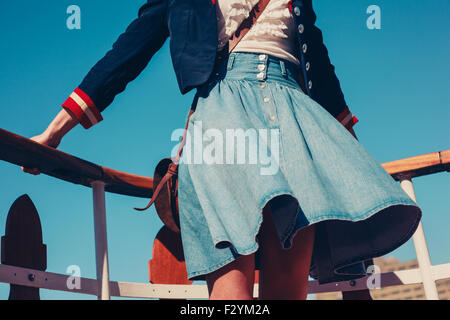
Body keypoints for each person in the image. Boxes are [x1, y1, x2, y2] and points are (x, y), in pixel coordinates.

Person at [22, 0, 422, 300]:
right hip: (223, 118)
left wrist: (346, 153)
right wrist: (55, 132)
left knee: (288, 290)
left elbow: (317, 59)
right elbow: (129, 52)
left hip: (298, 120)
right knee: (232, 293)